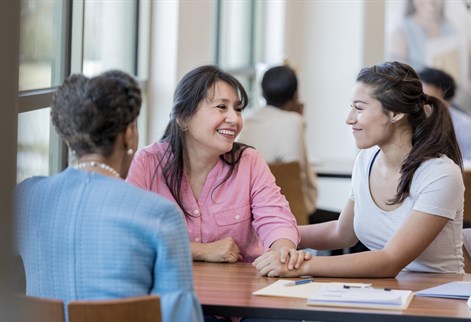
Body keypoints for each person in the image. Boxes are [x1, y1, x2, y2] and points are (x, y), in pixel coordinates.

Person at [15, 70, 204, 322]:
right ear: (128, 134)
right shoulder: (159, 214)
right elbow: (180, 316)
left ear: (70, 134)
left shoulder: (25, 198)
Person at [254, 61, 465, 278]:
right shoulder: (367, 159)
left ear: (395, 113)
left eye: (359, 108)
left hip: (437, 299)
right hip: (386, 293)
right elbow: (342, 233)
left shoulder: (439, 174)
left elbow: (390, 260)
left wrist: (299, 265)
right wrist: (272, 234)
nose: (349, 118)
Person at [126, 65, 301, 267]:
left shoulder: (249, 161)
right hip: (170, 288)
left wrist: (283, 251)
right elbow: (128, 234)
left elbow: (276, 220)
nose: (234, 119)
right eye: (221, 107)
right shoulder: (148, 163)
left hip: (240, 291)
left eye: (238, 109)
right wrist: (201, 251)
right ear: (183, 117)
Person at [237, 65, 318, 221]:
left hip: (251, 215)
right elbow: (300, 179)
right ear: (295, 95)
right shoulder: (294, 121)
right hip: (290, 214)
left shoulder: (248, 119)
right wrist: (299, 119)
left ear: (263, 93)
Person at [418, 67, 471, 161]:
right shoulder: (409, 120)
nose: (421, 104)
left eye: (428, 99)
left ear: (447, 101)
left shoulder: (465, 126)